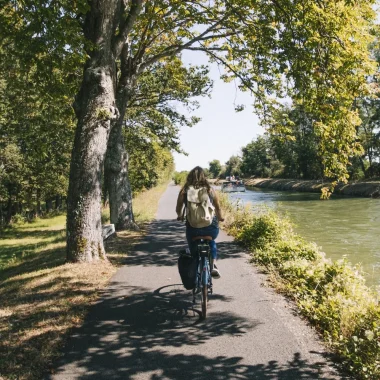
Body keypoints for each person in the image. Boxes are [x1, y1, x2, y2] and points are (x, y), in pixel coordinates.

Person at [176, 166, 224, 278]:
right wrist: (220, 218)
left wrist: (179, 215)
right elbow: (217, 207)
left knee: (193, 247)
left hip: (193, 228)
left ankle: (194, 267)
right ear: (204, 177)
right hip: (210, 227)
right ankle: (213, 266)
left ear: (189, 177)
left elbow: (178, 207)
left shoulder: (184, 190)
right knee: (211, 240)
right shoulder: (210, 190)